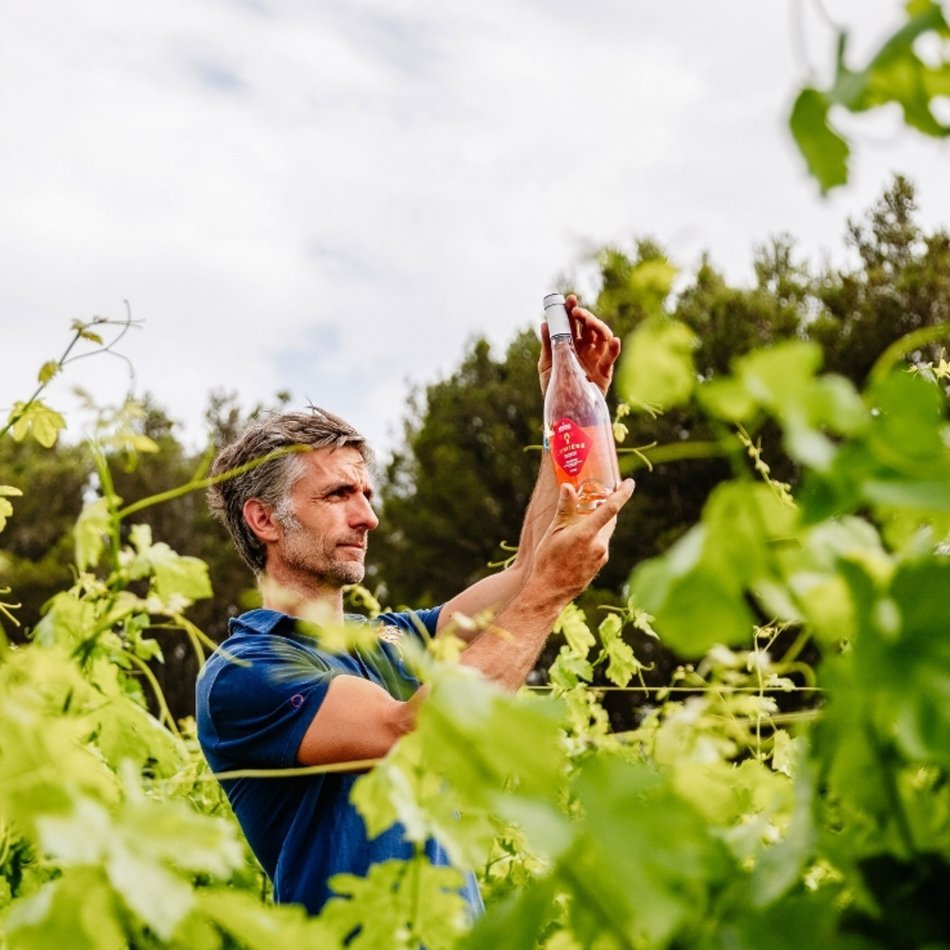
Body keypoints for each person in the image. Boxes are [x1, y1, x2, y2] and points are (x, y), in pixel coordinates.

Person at [195, 295, 635, 917]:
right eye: (339, 493)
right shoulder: (246, 673)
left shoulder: (394, 639)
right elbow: (410, 731)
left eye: (367, 493)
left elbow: (529, 570)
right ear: (264, 518)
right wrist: (551, 593)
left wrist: (567, 408)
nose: (368, 515)